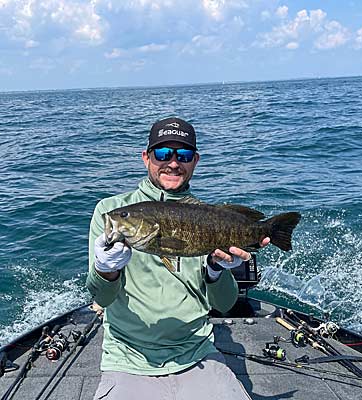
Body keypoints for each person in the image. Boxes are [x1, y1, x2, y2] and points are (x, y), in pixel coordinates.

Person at [86, 117, 270, 400]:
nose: (173, 163)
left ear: (194, 161)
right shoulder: (110, 210)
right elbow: (102, 297)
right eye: (163, 153)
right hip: (128, 357)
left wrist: (215, 270)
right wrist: (106, 270)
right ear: (146, 157)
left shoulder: (208, 217)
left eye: (183, 155)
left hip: (196, 352)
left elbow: (224, 304)